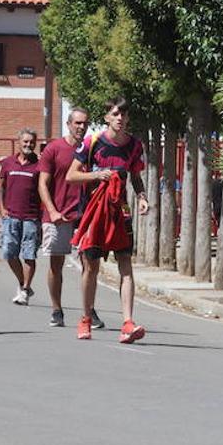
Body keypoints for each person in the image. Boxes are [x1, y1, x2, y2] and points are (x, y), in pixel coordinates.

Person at [65, 97, 149, 343]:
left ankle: (128, 322)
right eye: (115, 114)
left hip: (120, 210)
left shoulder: (134, 146)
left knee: (125, 263)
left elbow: (135, 176)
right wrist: (96, 175)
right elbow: (71, 175)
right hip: (94, 211)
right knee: (91, 267)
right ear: (107, 117)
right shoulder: (92, 143)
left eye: (124, 114)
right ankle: (85, 318)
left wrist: (142, 197)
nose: (120, 118)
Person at [38, 108, 88, 328]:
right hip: (59, 215)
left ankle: (89, 310)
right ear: (68, 124)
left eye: (84, 123)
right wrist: (52, 210)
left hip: (85, 215)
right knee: (56, 264)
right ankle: (57, 309)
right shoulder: (54, 149)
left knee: (90, 264)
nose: (81, 127)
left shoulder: (91, 148)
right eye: (77, 123)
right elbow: (43, 184)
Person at [0, 129, 42, 305]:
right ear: (19, 142)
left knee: (29, 255)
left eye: (31, 142)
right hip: (11, 216)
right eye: (25, 142)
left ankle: (24, 291)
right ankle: (23, 283)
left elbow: (44, 189)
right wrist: (1, 209)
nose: (28, 145)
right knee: (9, 253)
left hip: (31, 218)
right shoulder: (8, 163)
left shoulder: (40, 165)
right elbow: (0, 187)